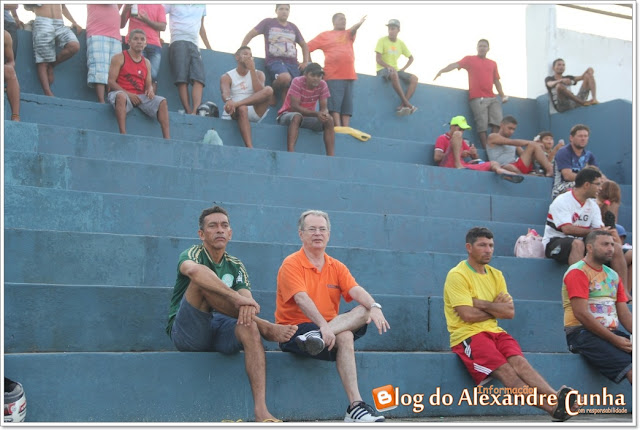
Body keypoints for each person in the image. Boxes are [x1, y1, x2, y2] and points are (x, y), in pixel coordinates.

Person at [167, 206, 297, 422]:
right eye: (213, 226)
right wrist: (234, 297)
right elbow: (193, 270)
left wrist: (244, 302)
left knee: (249, 324)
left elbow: (247, 301)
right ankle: (265, 326)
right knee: (200, 281)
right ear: (201, 234)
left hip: (221, 329)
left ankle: (261, 411)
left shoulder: (235, 265)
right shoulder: (192, 254)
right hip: (189, 332)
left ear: (230, 233)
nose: (220, 230)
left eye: (224, 225)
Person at [443, 227, 576, 421]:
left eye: (491, 245)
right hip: (468, 336)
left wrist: (481, 303)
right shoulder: (457, 275)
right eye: (482, 245)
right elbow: (467, 315)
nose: (488, 250)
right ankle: (552, 408)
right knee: (507, 372)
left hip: (496, 332)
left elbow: (509, 312)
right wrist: (495, 308)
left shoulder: (496, 275)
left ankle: (556, 397)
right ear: (469, 248)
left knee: (520, 363)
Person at [276, 210, 390, 422]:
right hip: (295, 331)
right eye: (312, 229)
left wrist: (374, 306)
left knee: (363, 311)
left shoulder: (336, 266)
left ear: (329, 234)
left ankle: (355, 407)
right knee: (344, 334)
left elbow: (355, 290)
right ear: (301, 234)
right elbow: (301, 299)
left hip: (323, 334)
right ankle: (320, 335)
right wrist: (323, 326)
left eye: (322, 229)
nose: (317, 233)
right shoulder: (291, 263)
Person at [542, 168, 629, 294]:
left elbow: (598, 230)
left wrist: (605, 233)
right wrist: (594, 231)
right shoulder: (562, 201)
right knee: (578, 244)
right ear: (587, 185)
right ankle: (580, 290)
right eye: (598, 184)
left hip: (581, 242)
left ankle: (623, 293)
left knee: (616, 247)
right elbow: (567, 229)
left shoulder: (592, 205)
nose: (600, 188)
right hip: (554, 243)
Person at [562, 231, 631, 384]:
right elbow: (581, 314)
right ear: (590, 247)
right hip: (581, 333)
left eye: (612, 244)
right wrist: (615, 340)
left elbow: (624, 314)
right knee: (633, 370)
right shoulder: (578, 272)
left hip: (611, 333)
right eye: (605, 244)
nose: (611, 248)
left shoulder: (613, 275)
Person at [434, 39, 507, 149]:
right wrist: (442, 71)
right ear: (477, 48)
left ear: (488, 49)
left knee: (497, 122)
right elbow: (455, 64)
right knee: (482, 125)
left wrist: (502, 95)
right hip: (477, 97)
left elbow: (496, 80)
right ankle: (486, 148)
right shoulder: (470, 59)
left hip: (492, 97)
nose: (482, 48)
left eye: (484, 46)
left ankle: (492, 145)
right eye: (480, 46)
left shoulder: (493, 63)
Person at [241, 4, 310, 106]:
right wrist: (242, 50)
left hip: (292, 63)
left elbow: (304, 45)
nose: (284, 11)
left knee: (289, 89)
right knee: (285, 77)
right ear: (276, 11)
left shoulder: (293, 27)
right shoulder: (268, 22)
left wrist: (305, 61)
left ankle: (285, 112)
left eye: (287, 9)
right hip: (275, 61)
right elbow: (251, 34)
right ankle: (271, 91)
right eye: (281, 9)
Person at [107, 29, 170, 139]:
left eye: (142, 39)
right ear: (129, 41)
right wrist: (129, 94)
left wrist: (150, 89)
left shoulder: (146, 62)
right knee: (121, 96)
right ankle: (123, 135)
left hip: (140, 97)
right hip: (121, 93)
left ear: (145, 44)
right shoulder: (119, 57)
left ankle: (167, 139)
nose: (139, 42)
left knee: (162, 101)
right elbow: (111, 81)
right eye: (135, 39)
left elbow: (148, 83)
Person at [307, 13, 366, 127]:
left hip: (349, 75)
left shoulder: (348, 34)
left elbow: (353, 29)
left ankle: (346, 128)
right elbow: (307, 47)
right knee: (335, 104)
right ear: (334, 21)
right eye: (341, 19)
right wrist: (310, 64)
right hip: (333, 75)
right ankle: (337, 127)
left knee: (347, 105)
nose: (344, 21)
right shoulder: (325, 35)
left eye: (345, 19)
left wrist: (359, 24)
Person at [434, 116, 524, 183]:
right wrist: (460, 154)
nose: (462, 131)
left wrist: (473, 153)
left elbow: (476, 158)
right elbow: (437, 157)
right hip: (448, 165)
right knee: (457, 135)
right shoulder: (442, 138)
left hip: (464, 166)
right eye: (460, 128)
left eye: (463, 129)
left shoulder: (461, 140)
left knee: (494, 163)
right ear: (452, 126)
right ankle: (458, 166)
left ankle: (501, 172)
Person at [220, 46, 273, 148]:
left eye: (250, 55)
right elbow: (225, 92)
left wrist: (252, 70)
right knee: (242, 108)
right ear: (237, 57)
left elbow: (259, 93)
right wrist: (229, 100)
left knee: (269, 90)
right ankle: (249, 147)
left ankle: (238, 104)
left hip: (254, 110)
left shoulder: (259, 73)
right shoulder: (227, 76)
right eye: (245, 54)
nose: (248, 57)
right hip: (236, 111)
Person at [276, 63, 335, 156]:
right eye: (313, 75)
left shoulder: (323, 84)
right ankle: (291, 154)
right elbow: (294, 107)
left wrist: (324, 114)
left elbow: (324, 108)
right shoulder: (297, 81)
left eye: (319, 76)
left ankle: (331, 156)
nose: (316, 78)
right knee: (297, 116)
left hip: (307, 118)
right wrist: (317, 114)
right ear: (306, 74)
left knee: (329, 120)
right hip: (287, 115)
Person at [164, 4, 212, 114]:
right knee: (182, 78)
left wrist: (209, 47)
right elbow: (159, 14)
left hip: (195, 43)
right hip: (178, 40)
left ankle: (195, 111)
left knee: (199, 78)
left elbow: (201, 27)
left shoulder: (202, 5)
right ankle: (188, 110)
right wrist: (157, 36)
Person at [29, 4, 82, 97]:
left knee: (74, 46)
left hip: (59, 24)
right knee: (43, 61)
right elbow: (27, 6)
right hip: (43, 21)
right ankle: (48, 93)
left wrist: (74, 22)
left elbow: (63, 6)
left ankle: (52, 65)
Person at [374, 19, 418, 115]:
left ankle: (403, 105)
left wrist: (403, 69)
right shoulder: (382, 40)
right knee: (394, 73)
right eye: (389, 29)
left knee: (414, 78)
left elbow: (411, 58)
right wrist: (388, 66)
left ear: (398, 30)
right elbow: (378, 59)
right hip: (382, 70)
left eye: (393, 29)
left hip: (395, 70)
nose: (390, 31)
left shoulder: (400, 43)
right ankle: (407, 103)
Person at [486, 116, 554, 177]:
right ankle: (526, 176)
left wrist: (536, 149)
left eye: (513, 129)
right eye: (509, 128)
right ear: (501, 125)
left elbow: (524, 154)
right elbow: (510, 142)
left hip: (517, 166)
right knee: (508, 167)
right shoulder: (492, 136)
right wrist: (530, 142)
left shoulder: (514, 144)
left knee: (534, 146)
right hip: (501, 168)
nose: (511, 131)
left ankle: (549, 169)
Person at [120, 4, 166, 93]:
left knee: (152, 77)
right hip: (135, 44)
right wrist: (125, 10)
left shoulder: (159, 6)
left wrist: (147, 20)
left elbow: (163, 27)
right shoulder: (131, 3)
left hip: (154, 45)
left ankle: (149, 100)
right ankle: (136, 99)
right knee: (136, 74)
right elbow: (121, 25)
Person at [85, 4, 122, 103]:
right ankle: (101, 101)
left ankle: (111, 101)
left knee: (115, 73)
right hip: (98, 33)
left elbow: (121, 20)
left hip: (116, 36)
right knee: (99, 69)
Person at [551, 124, 599, 200]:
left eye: (585, 136)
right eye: (580, 136)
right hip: (561, 188)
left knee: (606, 190)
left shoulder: (589, 155)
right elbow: (567, 175)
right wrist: (588, 180)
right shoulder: (563, 152)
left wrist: (607, 183)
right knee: (590, 186)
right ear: (571, 138)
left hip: (583, 185)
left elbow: (597, 174)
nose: (583, 139)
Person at [4, 30, 20, 121]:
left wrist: (7, 67)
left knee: (9, 70)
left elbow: (11, 61)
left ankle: (15, 116)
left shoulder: (5, 35)